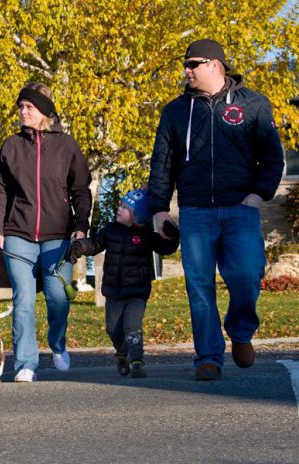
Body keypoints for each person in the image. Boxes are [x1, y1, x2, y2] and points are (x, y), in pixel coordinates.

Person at [147, 39, 285, 380]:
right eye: (186, 64)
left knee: (247, 275)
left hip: (241, 209)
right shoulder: (175, 111)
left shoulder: (253, 104)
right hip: (195, 212)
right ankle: (208, 356)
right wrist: (159, 209)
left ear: (215, 66)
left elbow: (272, 156)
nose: (187, 70)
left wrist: (258, 195)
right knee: (199, 286)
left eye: (194, 63)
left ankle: (240, 332)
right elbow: (162, 164)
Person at [0, 82, 92, 382]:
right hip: (17, 235)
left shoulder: (66, 146)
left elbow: (81, 191)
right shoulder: (11, 146)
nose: (22, 111)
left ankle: (57, 343)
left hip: (58, 235)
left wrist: (81, 225)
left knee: (58, 297)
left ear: (44, 111)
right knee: (23, 301)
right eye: (20, 107)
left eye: (29, 107)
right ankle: (26, 364)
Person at [69, 188, 180, 378]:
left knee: (132, 327)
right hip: (113, 292)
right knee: (113, 329)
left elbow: (166, 247)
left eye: (125, 207)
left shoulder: (146, 235)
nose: (119, 209)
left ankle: (137, 361)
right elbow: (95, 244)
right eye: (120, 205)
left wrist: (173, 235)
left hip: (136, 293)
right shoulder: (110, 231)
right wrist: (81, 246)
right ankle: (121, 353)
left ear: (138, 215)